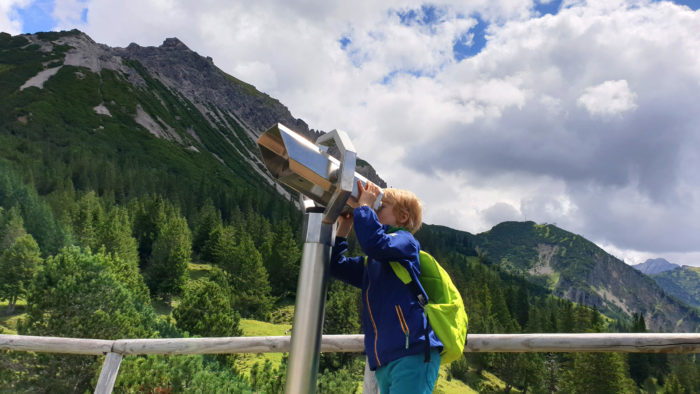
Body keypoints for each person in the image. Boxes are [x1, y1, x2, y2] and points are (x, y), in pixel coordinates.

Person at [330, 180, 442, 394]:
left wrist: (363, 208)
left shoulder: (405, 241)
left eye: (380, 206)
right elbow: (336, 266)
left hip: (412, 353)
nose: (373, 208)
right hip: (385, 359)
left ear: (403, 217)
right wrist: (344, 228)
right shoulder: (373, 264)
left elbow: (375, 244)